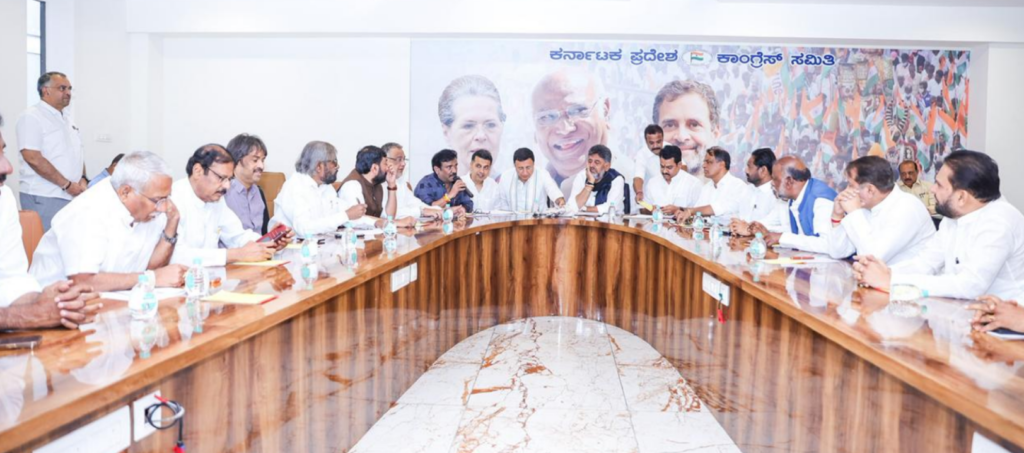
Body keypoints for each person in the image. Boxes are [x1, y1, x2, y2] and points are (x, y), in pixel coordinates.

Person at [853, 150, 1024, 299]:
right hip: (958, 316)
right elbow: (926, 263)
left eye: (939, 185)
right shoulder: (954, 215)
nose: (932, 189)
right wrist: (885, 273)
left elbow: (969, 285)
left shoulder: (1000, 222)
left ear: (962, 197)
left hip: (1002, 329)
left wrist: (891, 281)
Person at [29, 151, 188, 292]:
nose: (164, 207)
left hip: (113, 302)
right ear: (125, 192)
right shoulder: (89, 211)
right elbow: (83, 281)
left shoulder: (150, 207)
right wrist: (151, 278)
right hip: (52, 308)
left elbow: (151, 267)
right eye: (159, 200)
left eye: (167, 198)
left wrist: (171, 224)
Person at [0, 112, 99, 329]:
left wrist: (45, 301)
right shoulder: (32, 118)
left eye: (2, 151)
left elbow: (11, 279)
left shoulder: (2, 197)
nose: (7, 167)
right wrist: (28, 315)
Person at [170, 144, 290, 267]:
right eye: (221, 178)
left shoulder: (216, 200)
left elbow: (238, 236)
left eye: (229, 179)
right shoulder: (173, 200)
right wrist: (235, 255)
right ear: (198, 171)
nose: (227, 186)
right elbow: (176, 255)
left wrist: (270, 242)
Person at [825, 156, 934, 265]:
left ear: (870, 189)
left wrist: (854, 213)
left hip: (911, 280)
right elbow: (838, 252)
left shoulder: (907, 206)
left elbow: (871, 258)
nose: (846, 191)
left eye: (851, 186)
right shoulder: (868, 208)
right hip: (883, 280)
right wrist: (837, 216)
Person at [17, 72, 87, 231]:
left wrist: (82, 178)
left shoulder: (68, 119)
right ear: (45, 90)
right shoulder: (32, 116)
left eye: (69, 88)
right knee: (44, 249)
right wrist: (66, 185)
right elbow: (32, 157)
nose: (68, 93)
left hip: (71, 194)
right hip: (44, 194)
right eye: (62, 88)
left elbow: (76, 153)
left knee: (64, 247)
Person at [532, 69, 612, 196]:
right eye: (546, 117)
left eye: (578, 110)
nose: (564, 130)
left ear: (605, 110)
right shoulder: (529, 189)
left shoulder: (634, 184)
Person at [271, 141, 366, 236]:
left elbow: (346, 212)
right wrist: (346, 215)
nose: (337, 166)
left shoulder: (325, 186)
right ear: (319, 166)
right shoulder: (295, 186)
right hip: (292, 247)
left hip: (319, 245)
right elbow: (305, 228)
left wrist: (374, 222)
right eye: (334, 162)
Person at [747, 156, 837, 254]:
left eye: (775, 179)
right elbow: (798, 234)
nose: (772, 184)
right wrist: (770, 234)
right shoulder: (794, 198)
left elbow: (827, 244)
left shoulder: (821, 200)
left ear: (789, 181)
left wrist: (782, 237)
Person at [653, 79, 721, 183]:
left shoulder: (739, 195)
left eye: (694, 124)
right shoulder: (641, 189)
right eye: (670, 125)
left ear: (715, 134)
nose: (681, 136)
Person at [438, 75, 506, 176]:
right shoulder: (430, 190)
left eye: (490, 125)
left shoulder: (513, 190)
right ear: (446, 133)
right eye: (468, 126)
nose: (481, 136)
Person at [338, 145, 415, 227]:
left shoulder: (376, 184)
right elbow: (356, 219)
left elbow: (390, 216)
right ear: (374, 168)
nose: (388, 168)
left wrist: (391, 185)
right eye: (385, 164)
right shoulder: (352, 186)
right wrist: (393, 223)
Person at [673, 147, 748, 223]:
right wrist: (683, 211)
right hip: (707, 231)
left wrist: (689, 211)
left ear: (722, 164)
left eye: (709, 162)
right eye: (704, 162)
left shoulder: (738, 186)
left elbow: (716, 208)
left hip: (730, 233)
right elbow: (697, 211)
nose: (704, 166)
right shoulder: (707, 187)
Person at [494, 147, 565, 212]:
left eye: (528, 167)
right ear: (515, 166)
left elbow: (552, 189)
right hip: (513, 223)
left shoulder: (542, 173)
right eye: (520, 168)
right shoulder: (506, 176)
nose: (525, 172)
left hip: (539, 223)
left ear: (534, 164)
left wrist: (558, 199)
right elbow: (502, 204)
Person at [224, 133, 269, 235]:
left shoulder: (258, 192)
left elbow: (264, 233)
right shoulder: (223, 193)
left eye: (262, 160)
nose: (261, 166)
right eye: (255, 160)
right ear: (238, 160)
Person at [383, 143, 441, 220]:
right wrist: (421, 212)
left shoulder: (401, 182)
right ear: (385, 161)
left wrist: (442, 211)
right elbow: (387, 214)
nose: (403, 164)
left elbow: (416, 203)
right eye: (399, 159)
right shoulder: (380, 184)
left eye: (404, 159)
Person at [641, 145, 701, 216]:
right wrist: (651, 210)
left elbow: (700, 212)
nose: (664, 171)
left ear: (679, 165)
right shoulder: (653, 182)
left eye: (669, 167)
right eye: (662, 166)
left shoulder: (693, 184)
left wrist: (678, 210)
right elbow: (643, 209)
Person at [567, 145, 626, 214]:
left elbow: (611, 207)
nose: (591, 165)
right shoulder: (581, 176)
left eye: (597, 162)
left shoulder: (616, 179)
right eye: (590, 161)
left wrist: (585, 208)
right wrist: (590, 183)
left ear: (607, 166)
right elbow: (572, 206)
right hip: (584, 222)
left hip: (609, 222)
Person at [415, 149, 473, 216]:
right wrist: (450, 195)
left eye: (456, 166)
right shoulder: (425, 184)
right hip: (430, 225)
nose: (454, 171)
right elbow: (428, 209)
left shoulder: (456, 181)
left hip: (454, 224)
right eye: (449, 167)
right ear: (437, 169)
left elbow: (469, 203)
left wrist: (463, 209)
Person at [736, 148, 784, 223]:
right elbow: (737, 215)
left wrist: (748, 229)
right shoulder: (747, 189)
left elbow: (774, 225)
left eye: (749, 167)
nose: (745, 170)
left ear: (763, 170)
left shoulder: (776, 194)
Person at [633, 125, 664, 205]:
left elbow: (683, 167)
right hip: (651, 202)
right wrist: (639, 192)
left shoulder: (671, 148)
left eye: (658, 142)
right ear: (646, 141)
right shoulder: (641, 154)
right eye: (651, 143)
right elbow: (638, 177)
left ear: (663, 139)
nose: (655, 146)